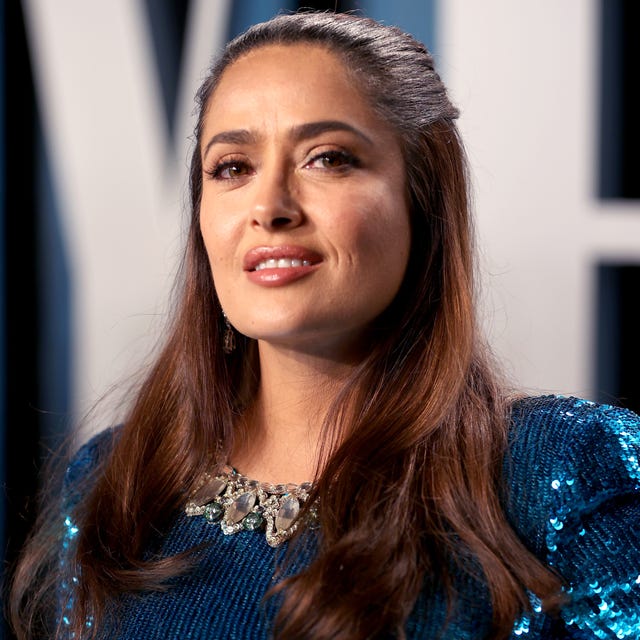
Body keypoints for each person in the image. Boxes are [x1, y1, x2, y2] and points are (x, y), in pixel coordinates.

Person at [9, 11, 640, 640]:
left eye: (327, 158)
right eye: (232, 167)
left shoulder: (567, 469)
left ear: (423, 198)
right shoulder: (118, 480)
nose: (270, 207)